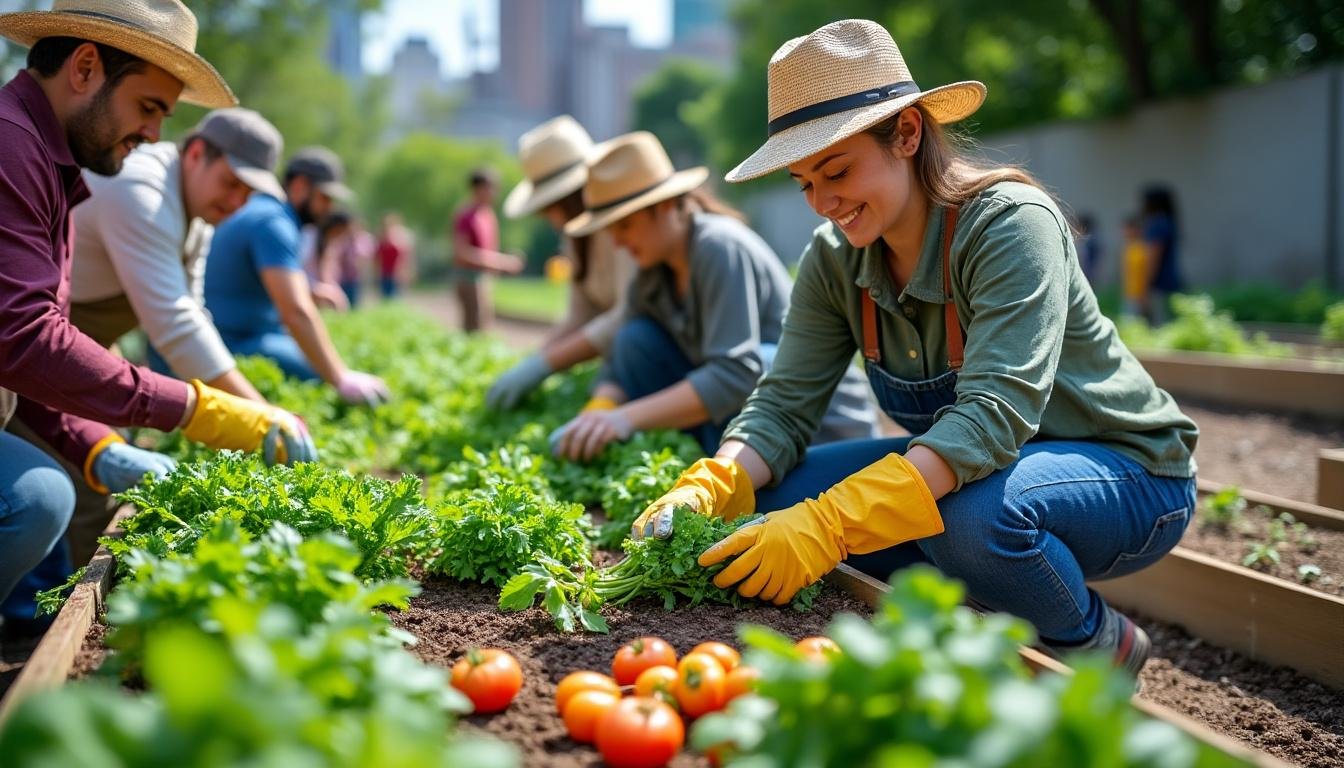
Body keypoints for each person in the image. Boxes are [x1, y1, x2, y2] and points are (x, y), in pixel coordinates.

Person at [633, 20, 1199, 675]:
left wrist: (835, 526)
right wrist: (715, 481)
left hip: (1128, 477)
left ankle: (1096, 641)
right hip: (982, 469)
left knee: (966, 517)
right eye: (803, 183)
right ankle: (977, 601)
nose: (823, 203)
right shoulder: (836, 259)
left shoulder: (1010, 225)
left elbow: (995, 415)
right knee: (768, 500)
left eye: (836, 170)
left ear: (907, 133)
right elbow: (783, 404)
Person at [0, 0, 315, 637]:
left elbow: (13, 357)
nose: (152, 136)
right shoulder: (11, 148)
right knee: (39, 499)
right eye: (148, 108)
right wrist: (199, 410)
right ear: (85, 68)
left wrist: (99, 446)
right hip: (39, 362)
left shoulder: (51, 159)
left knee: (57, 488)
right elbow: (26, 340)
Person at [548, 131, 877, 462]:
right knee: (634, 340)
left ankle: (728, 466)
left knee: (762, 360)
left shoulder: (719, 248)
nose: (617, 243)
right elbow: (622, 357)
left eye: (624, 226)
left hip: (822, 429)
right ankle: (707, 459)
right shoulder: (652, 270)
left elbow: (735, 375)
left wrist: (624, 419)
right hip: (742, 421)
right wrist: (598, 410)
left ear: (663, 206)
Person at [70, 107, 285, 402]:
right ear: (196, 153)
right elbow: (175, 323)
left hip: (79, 346)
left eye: (248, 193)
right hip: (23, 351)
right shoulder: (141, 190)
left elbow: (192, 311)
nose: (237, 202)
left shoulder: (198, 213)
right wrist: (258, 411)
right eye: (231, 183)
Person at [204, 147, 390, 405]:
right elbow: (296, 313)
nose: (329, 208)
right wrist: (340, 378)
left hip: (233, 336)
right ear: (301, 186)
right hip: (236, 343)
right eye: (324, 198)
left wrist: (311, 292)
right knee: (322, 377)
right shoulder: (274, 223)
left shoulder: (262, 210)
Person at [486, 115, 637, 411]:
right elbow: (580, 314)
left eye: (548, 206)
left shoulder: (623, 230)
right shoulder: (575, 238)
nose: (545, 216)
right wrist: (535, 359)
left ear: (568, 198)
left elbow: (628, 315)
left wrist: (545, 364)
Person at [452, 167, 524, 332]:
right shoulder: (466, 215)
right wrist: (501, 262)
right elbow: (462, 252)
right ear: (477, 188)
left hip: (484, 278)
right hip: (468, 279)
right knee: (474, 329)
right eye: (490, 188)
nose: (494, 193)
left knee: (484, 326)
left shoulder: (487, 215)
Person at [1140, 185, 1181, 326]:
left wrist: (1145, 285)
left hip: (1158, 284)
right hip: (1170, 280)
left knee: (1160, 324)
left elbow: (1154, 257)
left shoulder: (1157, 224)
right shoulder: (1169, 222)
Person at [375, 212, 414, 300]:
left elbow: (406, 257)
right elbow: (377, 258)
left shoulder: (401, 237)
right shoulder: (381, 239)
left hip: (398, 273)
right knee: (386, 297)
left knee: (398, 297)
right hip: (384, 272)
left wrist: (407, 271)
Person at [1121, 215, 1149, 318]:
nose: (1125, 231)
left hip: (1140, 295)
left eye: (1128, 229)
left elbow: (1145, 273)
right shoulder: (1128, 248)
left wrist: (1145, 295)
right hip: (1129, 293)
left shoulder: (1141, 248)